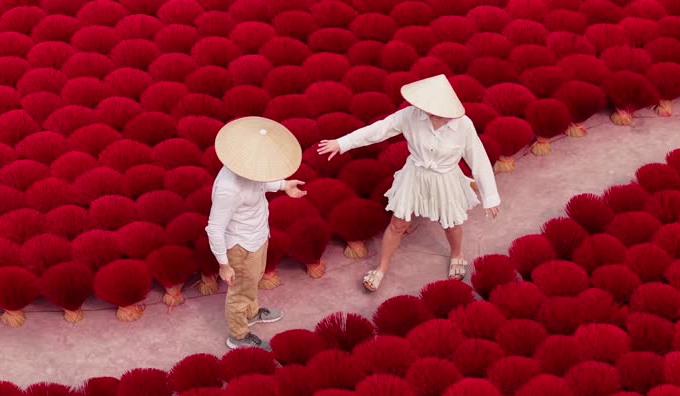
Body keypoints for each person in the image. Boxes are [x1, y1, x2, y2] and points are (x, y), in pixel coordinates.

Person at [318, 74, 501, 292]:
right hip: (414, 175)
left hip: (446, 179)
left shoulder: (464, 125)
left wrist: (489, 196)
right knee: (398, 224)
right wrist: (342, 143)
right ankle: (381, 268)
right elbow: (379, 129)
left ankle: (456, 255)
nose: (429, 112)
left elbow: (478, 159)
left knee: (451, 224)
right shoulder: (411, 115)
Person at [206, 116, 307, 350]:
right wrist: (224, 264)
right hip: (241, 246)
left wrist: (284, 185)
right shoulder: (228, 190)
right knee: (240, 292)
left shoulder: (252, 170)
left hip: (259, 236)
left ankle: (251, 314)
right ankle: (238, 335)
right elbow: (215, 228)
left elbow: (261, 182)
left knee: (252, 282)